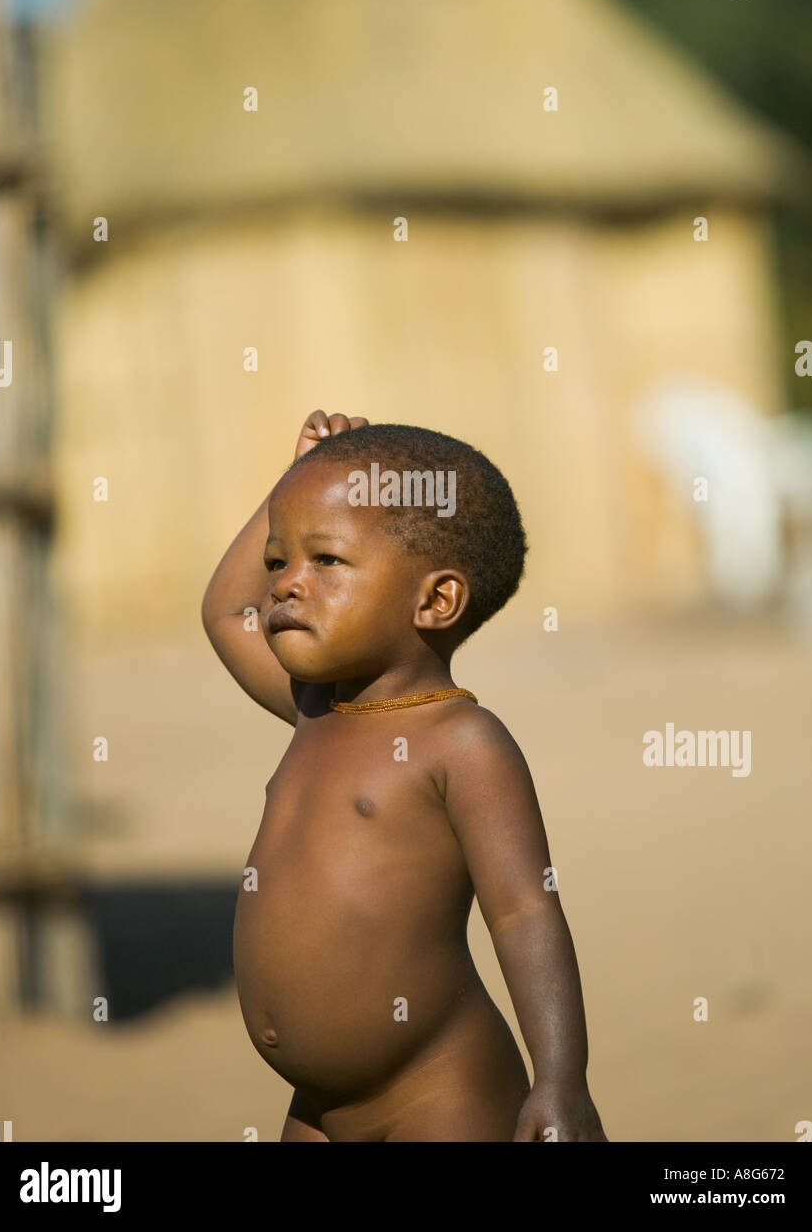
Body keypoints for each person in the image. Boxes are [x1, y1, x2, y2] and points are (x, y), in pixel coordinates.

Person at [201, 409, 607, 1142]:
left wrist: (560, 1080)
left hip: (437, 1093)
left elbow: (524, 913)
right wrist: (291, 485)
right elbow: (229, 614)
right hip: (317, 1105)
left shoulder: (460, 743)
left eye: (325, 561)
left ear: (434, 600)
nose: (286, 585)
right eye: (276, 561)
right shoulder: (316, 710)